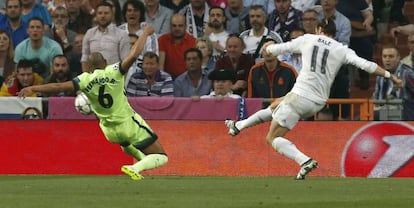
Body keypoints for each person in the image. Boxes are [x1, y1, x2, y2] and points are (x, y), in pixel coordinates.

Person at [224, 19, 402, 180]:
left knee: (272, 137)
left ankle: (304, 161)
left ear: (319, 29)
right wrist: (389, 75)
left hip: (300, 96)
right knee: (276, 104)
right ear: (334, 33)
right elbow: (366, 65)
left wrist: (268, 47)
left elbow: (277, 49)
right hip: (317, 102)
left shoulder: (308, 39)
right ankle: (238, 126)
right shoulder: (341, 49)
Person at [18, 25, 168, 181]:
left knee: (126, 143)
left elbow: (57, 86)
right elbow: (134, 54)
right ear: (105, 62)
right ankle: (135, 167)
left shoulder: (84, 79)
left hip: (109, 131)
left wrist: (33, 87)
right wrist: (145, 33)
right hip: (127, 123)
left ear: (89, 67)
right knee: (161, 156)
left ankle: (140, 161)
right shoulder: (114, 71)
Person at [81, 1, 130, 72]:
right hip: (93, 78)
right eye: (100, 13)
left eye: (106, 13)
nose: (103, 16)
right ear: (96, 15)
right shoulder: (89, 33)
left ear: (112, 15)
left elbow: (125, 61)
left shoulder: (122, 34)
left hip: (114, 77)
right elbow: (85, 59)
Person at [373, 45, 414, 121]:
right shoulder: (380, 75)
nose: (387, 59)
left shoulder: (407, 73)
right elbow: (376, 99)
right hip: (385, 110)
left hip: (405, 113)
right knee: (363, 116)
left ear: (398, 58)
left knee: (371, 116)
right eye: (384, 56)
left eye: (391, 56)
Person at [158, 13, 196, 78]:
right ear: (170, 26)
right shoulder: (162, 40)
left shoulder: (193, 42)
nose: (177, 28)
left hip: (187, 80)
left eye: (180, 26)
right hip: (168, 80)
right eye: (174, 26)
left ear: (185, 26)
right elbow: (160, 65)